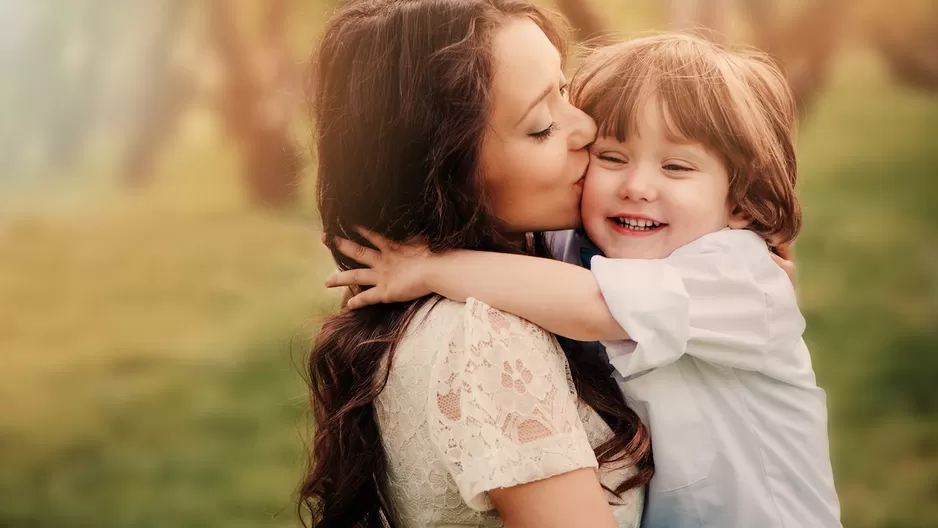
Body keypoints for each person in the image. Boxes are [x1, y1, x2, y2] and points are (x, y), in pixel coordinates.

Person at [325, 34, 841, 527]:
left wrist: (433, 266)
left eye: (677, 167)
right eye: (611, 157)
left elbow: (594, 304)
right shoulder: (583, 247)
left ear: (741, 199)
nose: (636, 187)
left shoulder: (734, 271)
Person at [299, 1, 653, 527]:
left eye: (564, 90)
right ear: (444, 172)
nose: (586, 129)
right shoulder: (489, 342)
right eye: (540, 128)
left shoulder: (439, 309)